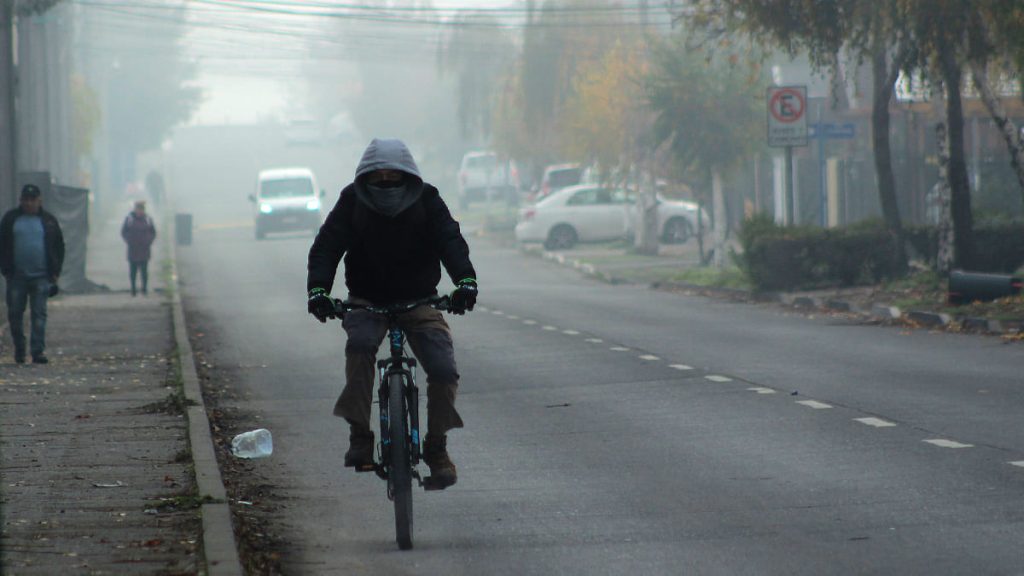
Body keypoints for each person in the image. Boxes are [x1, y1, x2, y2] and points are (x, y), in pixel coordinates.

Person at [307, 138, 478, 490]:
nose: (385, 180)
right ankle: (360, 436)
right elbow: (327, 246)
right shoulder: (352, 201)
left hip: (419, 300)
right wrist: (319, 290)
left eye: (392, 174)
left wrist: (466, 281)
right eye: (378, 174)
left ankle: (437, 448)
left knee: (444, 368)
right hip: (367, 301)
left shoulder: (427, 200)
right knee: (359, 346)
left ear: (407, 174)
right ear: (365, 174)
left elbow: (450, 240)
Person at [0, 184, 65, 364]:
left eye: (32, 200)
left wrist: (55, 272)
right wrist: (5, 270)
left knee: (39, 314)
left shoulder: (49, 221)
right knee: (14, 314)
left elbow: (59, 246)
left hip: (41, 276)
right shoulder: (11, 219)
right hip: (16, 276)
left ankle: (37, 351)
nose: (29, 203)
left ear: (39, 200)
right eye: (26, 200)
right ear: (21, 200)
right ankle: (20, 349)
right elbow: (3, 244)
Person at [121, 200, 157, 296]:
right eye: (138, 209)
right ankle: (133, 289)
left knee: (144, 271)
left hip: (144, 249)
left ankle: (144, 289)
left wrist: (149, 241)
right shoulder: (129, 219)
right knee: (133, 271)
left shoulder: (148, 219)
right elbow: (124, 232)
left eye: (141, 209)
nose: (139, 211)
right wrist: (129, 241)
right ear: (135, 209)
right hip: (133, 249)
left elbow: (153, 232)